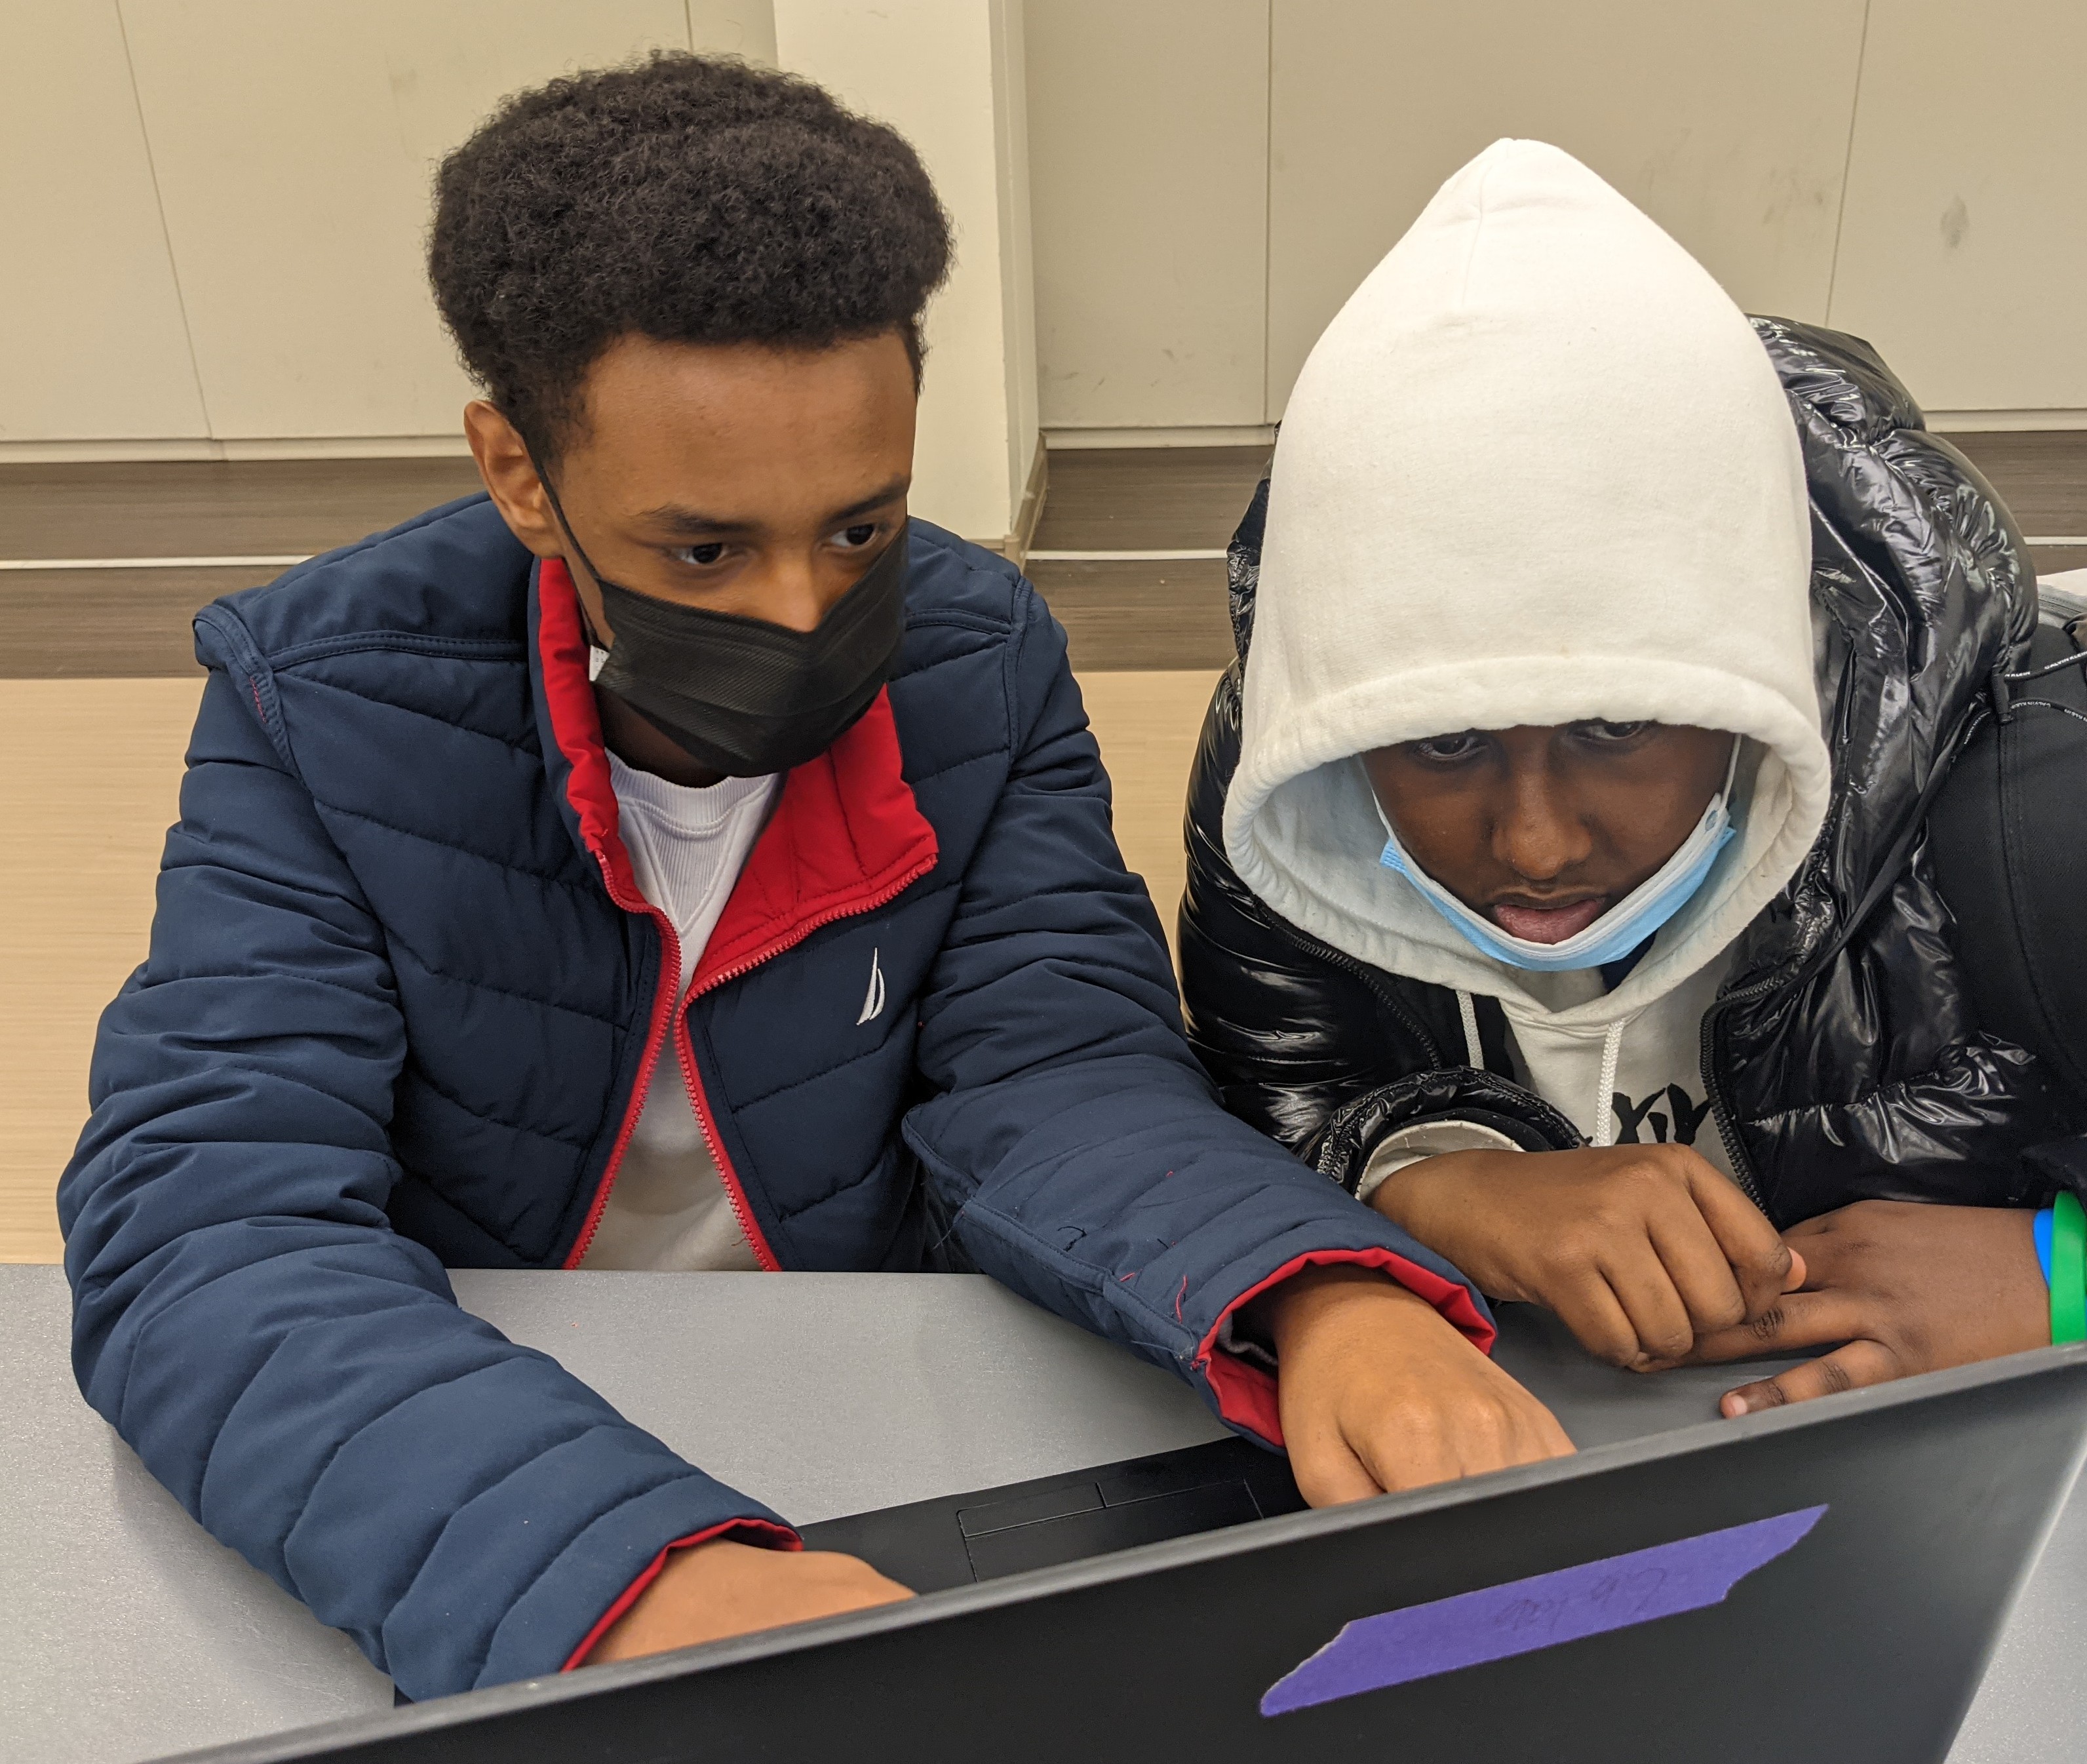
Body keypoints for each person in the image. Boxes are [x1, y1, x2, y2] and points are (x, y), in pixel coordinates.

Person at [58, 60, 1572, 1706]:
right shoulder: (323, 705)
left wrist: (1319, 1290)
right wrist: (611, 1578)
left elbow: (1060, 1069)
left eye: (862, 529)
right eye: (704, 551)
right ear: (516, 473)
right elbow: (210, 1232)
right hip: (469, 1396)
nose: (799, 612)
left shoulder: (976, 667)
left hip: (881, 1390)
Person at [1180, 140, 2087, 1423]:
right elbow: (1265, 1102)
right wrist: (1435, 1174)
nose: (1535, 845)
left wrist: (2059, 1279)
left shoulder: (2030, 788)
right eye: (1443, 743)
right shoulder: (1295, 782)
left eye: (1614, 726)